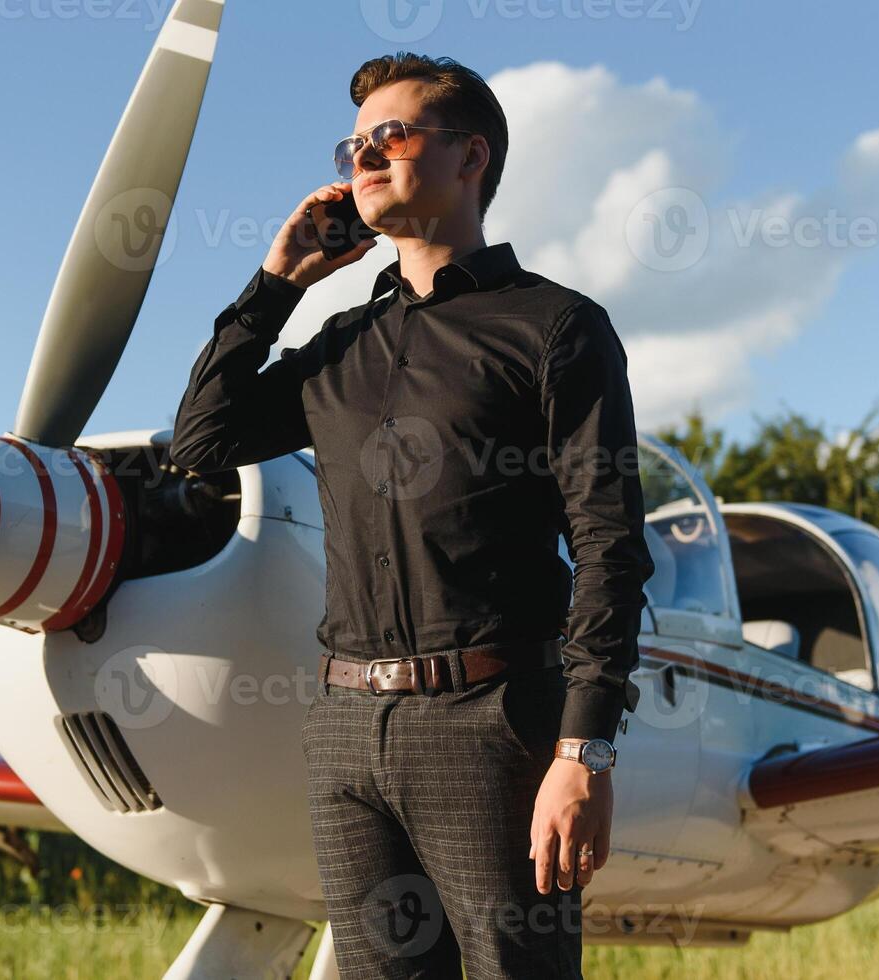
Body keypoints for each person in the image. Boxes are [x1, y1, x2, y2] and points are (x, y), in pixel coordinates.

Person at [169, 52, 656, 978]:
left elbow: (610, 547)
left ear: (471, 157)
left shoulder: (554, 328)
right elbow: (201, 440)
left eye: (390, 136)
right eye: (353, 144)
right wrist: (277, 284)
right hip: (346, 727)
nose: (363, 157)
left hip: (494, 720)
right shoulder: (339, 345)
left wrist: (583, 749)